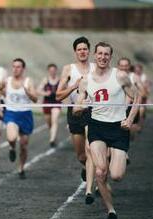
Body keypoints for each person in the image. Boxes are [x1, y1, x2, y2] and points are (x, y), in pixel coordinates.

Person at [75, 42, 139, 219]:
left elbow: (137, 97)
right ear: (95, 56)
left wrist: (130, 118)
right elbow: (78, 106)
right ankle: (111, 211)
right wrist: (81, 106)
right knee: (101, 172)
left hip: (118, 128)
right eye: (100, 54)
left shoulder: (120, 76)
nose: (103, 57)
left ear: (110, 57)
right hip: (97, 127)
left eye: (106, 54)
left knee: (117, 175)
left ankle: (117, 158)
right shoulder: (86, 79)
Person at [56, 36, 95, 204]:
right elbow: (58, 95)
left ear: (89, 51)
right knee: (81, 155)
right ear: (75, 52)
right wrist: (73, 85)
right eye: (79, 49)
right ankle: (86, 167)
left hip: (93, 111)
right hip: (74, 111)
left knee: (91, 149)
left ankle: (94, 185)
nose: (82, 52)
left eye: (85, 49)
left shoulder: (96, 68)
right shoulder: (68, 69)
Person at [0, 58, 38, 179]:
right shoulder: (7, 80)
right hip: (11, 114)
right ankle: (11, 147)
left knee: (24, 145)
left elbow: (35, 99)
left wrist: (28, 93)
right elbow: (0, 90)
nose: (15, 69)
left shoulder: (28, 81)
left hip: (25, 114)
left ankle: (21, 167)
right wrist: (1, 100)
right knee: (11, 138)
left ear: (23, 68)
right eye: (14, 66)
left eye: (18, 67)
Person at [37, 63, 61, 147]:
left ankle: (52, 139)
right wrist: (45, 93)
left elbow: (64, 91)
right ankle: (53, 135)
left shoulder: (60, 80)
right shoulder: (45, 80)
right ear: (48, 71)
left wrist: (59, 94)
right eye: (50, 71)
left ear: (56, 71)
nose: (52, 72)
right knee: (49, 123)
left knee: (54, 120)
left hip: (56, 103)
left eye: (54, 71)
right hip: (47, 102)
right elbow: (38, 90)